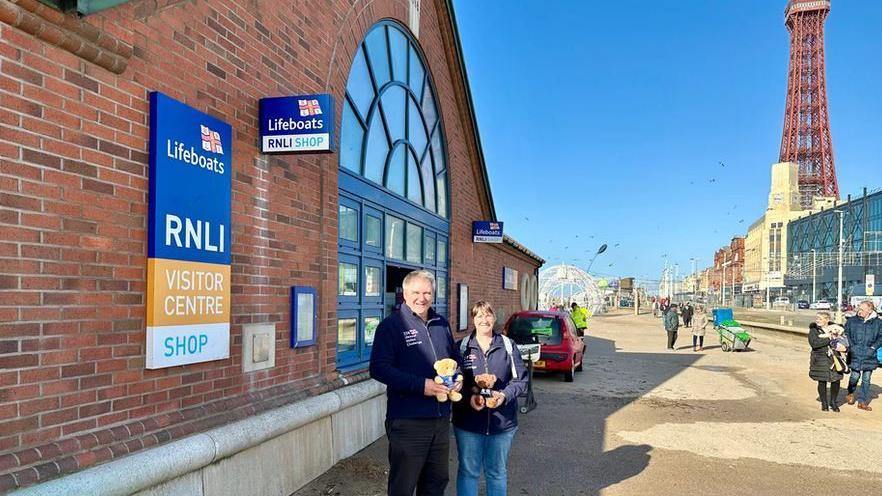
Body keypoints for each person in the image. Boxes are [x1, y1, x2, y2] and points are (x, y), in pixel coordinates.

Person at [369, 270, 462, 496]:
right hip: (408, 420)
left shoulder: (441, 323)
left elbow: (454, 358)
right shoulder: (391, 326)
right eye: (416, 292)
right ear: (404, 293)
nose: (422, 298)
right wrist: (422, 385)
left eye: (427, 293)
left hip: (440, 420)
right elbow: (379, 369)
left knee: (436, 482)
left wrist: (459, 377)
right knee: (403, 485)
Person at [453, 301, 528, 496]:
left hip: (502, 424)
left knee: (496, 473)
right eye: (479, 316)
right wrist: (469, 398)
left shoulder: (507, 346)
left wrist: (503, 395)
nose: (484, 320)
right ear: (473, 319)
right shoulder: (462, 348)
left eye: (488, 315)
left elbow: (521, 381)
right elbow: (454, 384)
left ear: (494, 318)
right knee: (468, 472)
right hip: (468, 424)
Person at [844, 301, 882, 411]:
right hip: (855, 353)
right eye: (859, 308)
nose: (859, 311)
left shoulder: (878, 323)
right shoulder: (852, 321)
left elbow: (881, 337)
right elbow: (846, 334)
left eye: (862, 309)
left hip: (869, 354)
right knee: (854, 377)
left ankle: (862, 401)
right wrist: (852, 347)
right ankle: (850, 392)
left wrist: (873, 348)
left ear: (870, 311)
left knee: (866, 379)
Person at [808, 312, 845, 412]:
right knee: (822, 381)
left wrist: (843, 347)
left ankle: (833, 402)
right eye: (817, 318)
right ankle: (824, 403)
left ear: (827, 320)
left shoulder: (836, 329)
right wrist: (829, 339)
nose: (817, 320)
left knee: (836, 380)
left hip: (834, 359)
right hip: (819, 359)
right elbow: (814, 343)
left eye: (820, 318)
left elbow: (843, 341)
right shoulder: (814, 330)